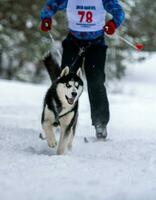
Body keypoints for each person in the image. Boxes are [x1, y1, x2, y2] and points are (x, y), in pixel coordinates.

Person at [40, 0, 125, 139]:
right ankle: (57, 120)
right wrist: (46, 18)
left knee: (96, 82)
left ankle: (100, 123)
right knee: (65, 82)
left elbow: (119, 12)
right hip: (73, 42)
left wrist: (113, 24)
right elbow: (52, 5)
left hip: (96, 44)